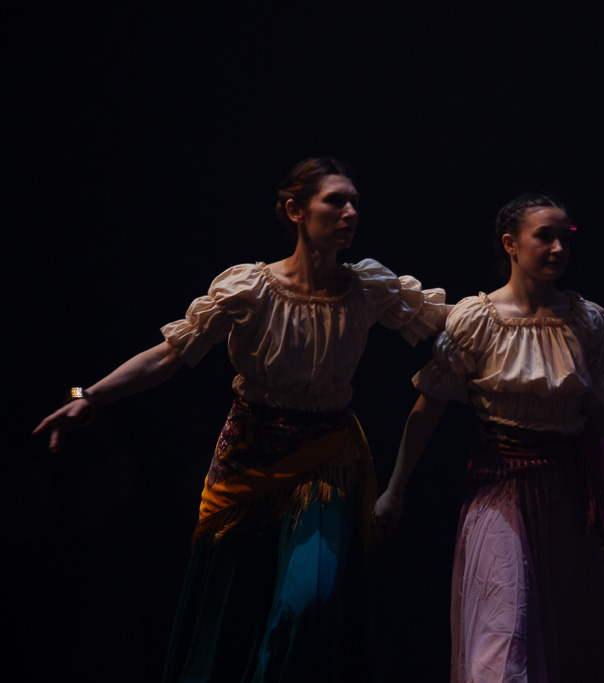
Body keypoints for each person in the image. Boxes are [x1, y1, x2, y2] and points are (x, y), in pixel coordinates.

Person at [33, 157, 448, 682]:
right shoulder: (250, 288)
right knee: (231, 606)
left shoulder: (367, 287)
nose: (349, 213)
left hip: (324, 461)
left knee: (310, 602)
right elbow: (169, 354)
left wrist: (523, 312)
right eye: (335, 201)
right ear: (295, 210)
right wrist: (87, 396)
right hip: (248, 454)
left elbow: (447, 321)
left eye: (355, 203)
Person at [373, 193, 604, 682]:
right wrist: (395, 488)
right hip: (499, 489)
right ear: (511, 244)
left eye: (564, 237)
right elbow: (427, 408)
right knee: (503, 632)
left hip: (566, 493)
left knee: (570, 633)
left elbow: (599, 420)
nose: (557, 247)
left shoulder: (585, 321)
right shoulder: (478, 319)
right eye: (544, 236)